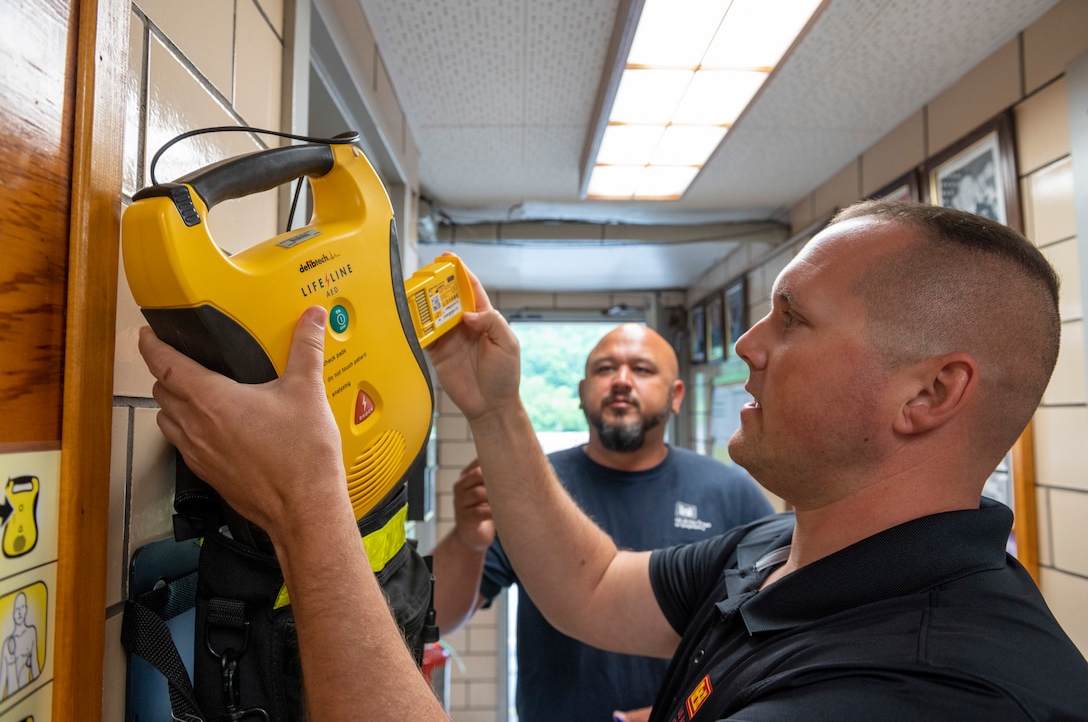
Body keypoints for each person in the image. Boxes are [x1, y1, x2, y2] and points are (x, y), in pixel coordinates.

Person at [137, 199, 1088, 719]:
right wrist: (497, 406)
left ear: (930, 395)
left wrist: (309, 503)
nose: (748, 344)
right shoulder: (780, 553)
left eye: (793, 319)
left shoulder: (929, 691)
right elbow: (589, 583)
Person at [430, 324, 773, 721]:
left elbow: (770, 630)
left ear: (676, 395)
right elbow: (439, 616)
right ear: (580, 392)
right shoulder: (533, 488)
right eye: (606, 369)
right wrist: (468, 539)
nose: (622, 381)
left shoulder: (729, 492)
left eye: (642, 370)